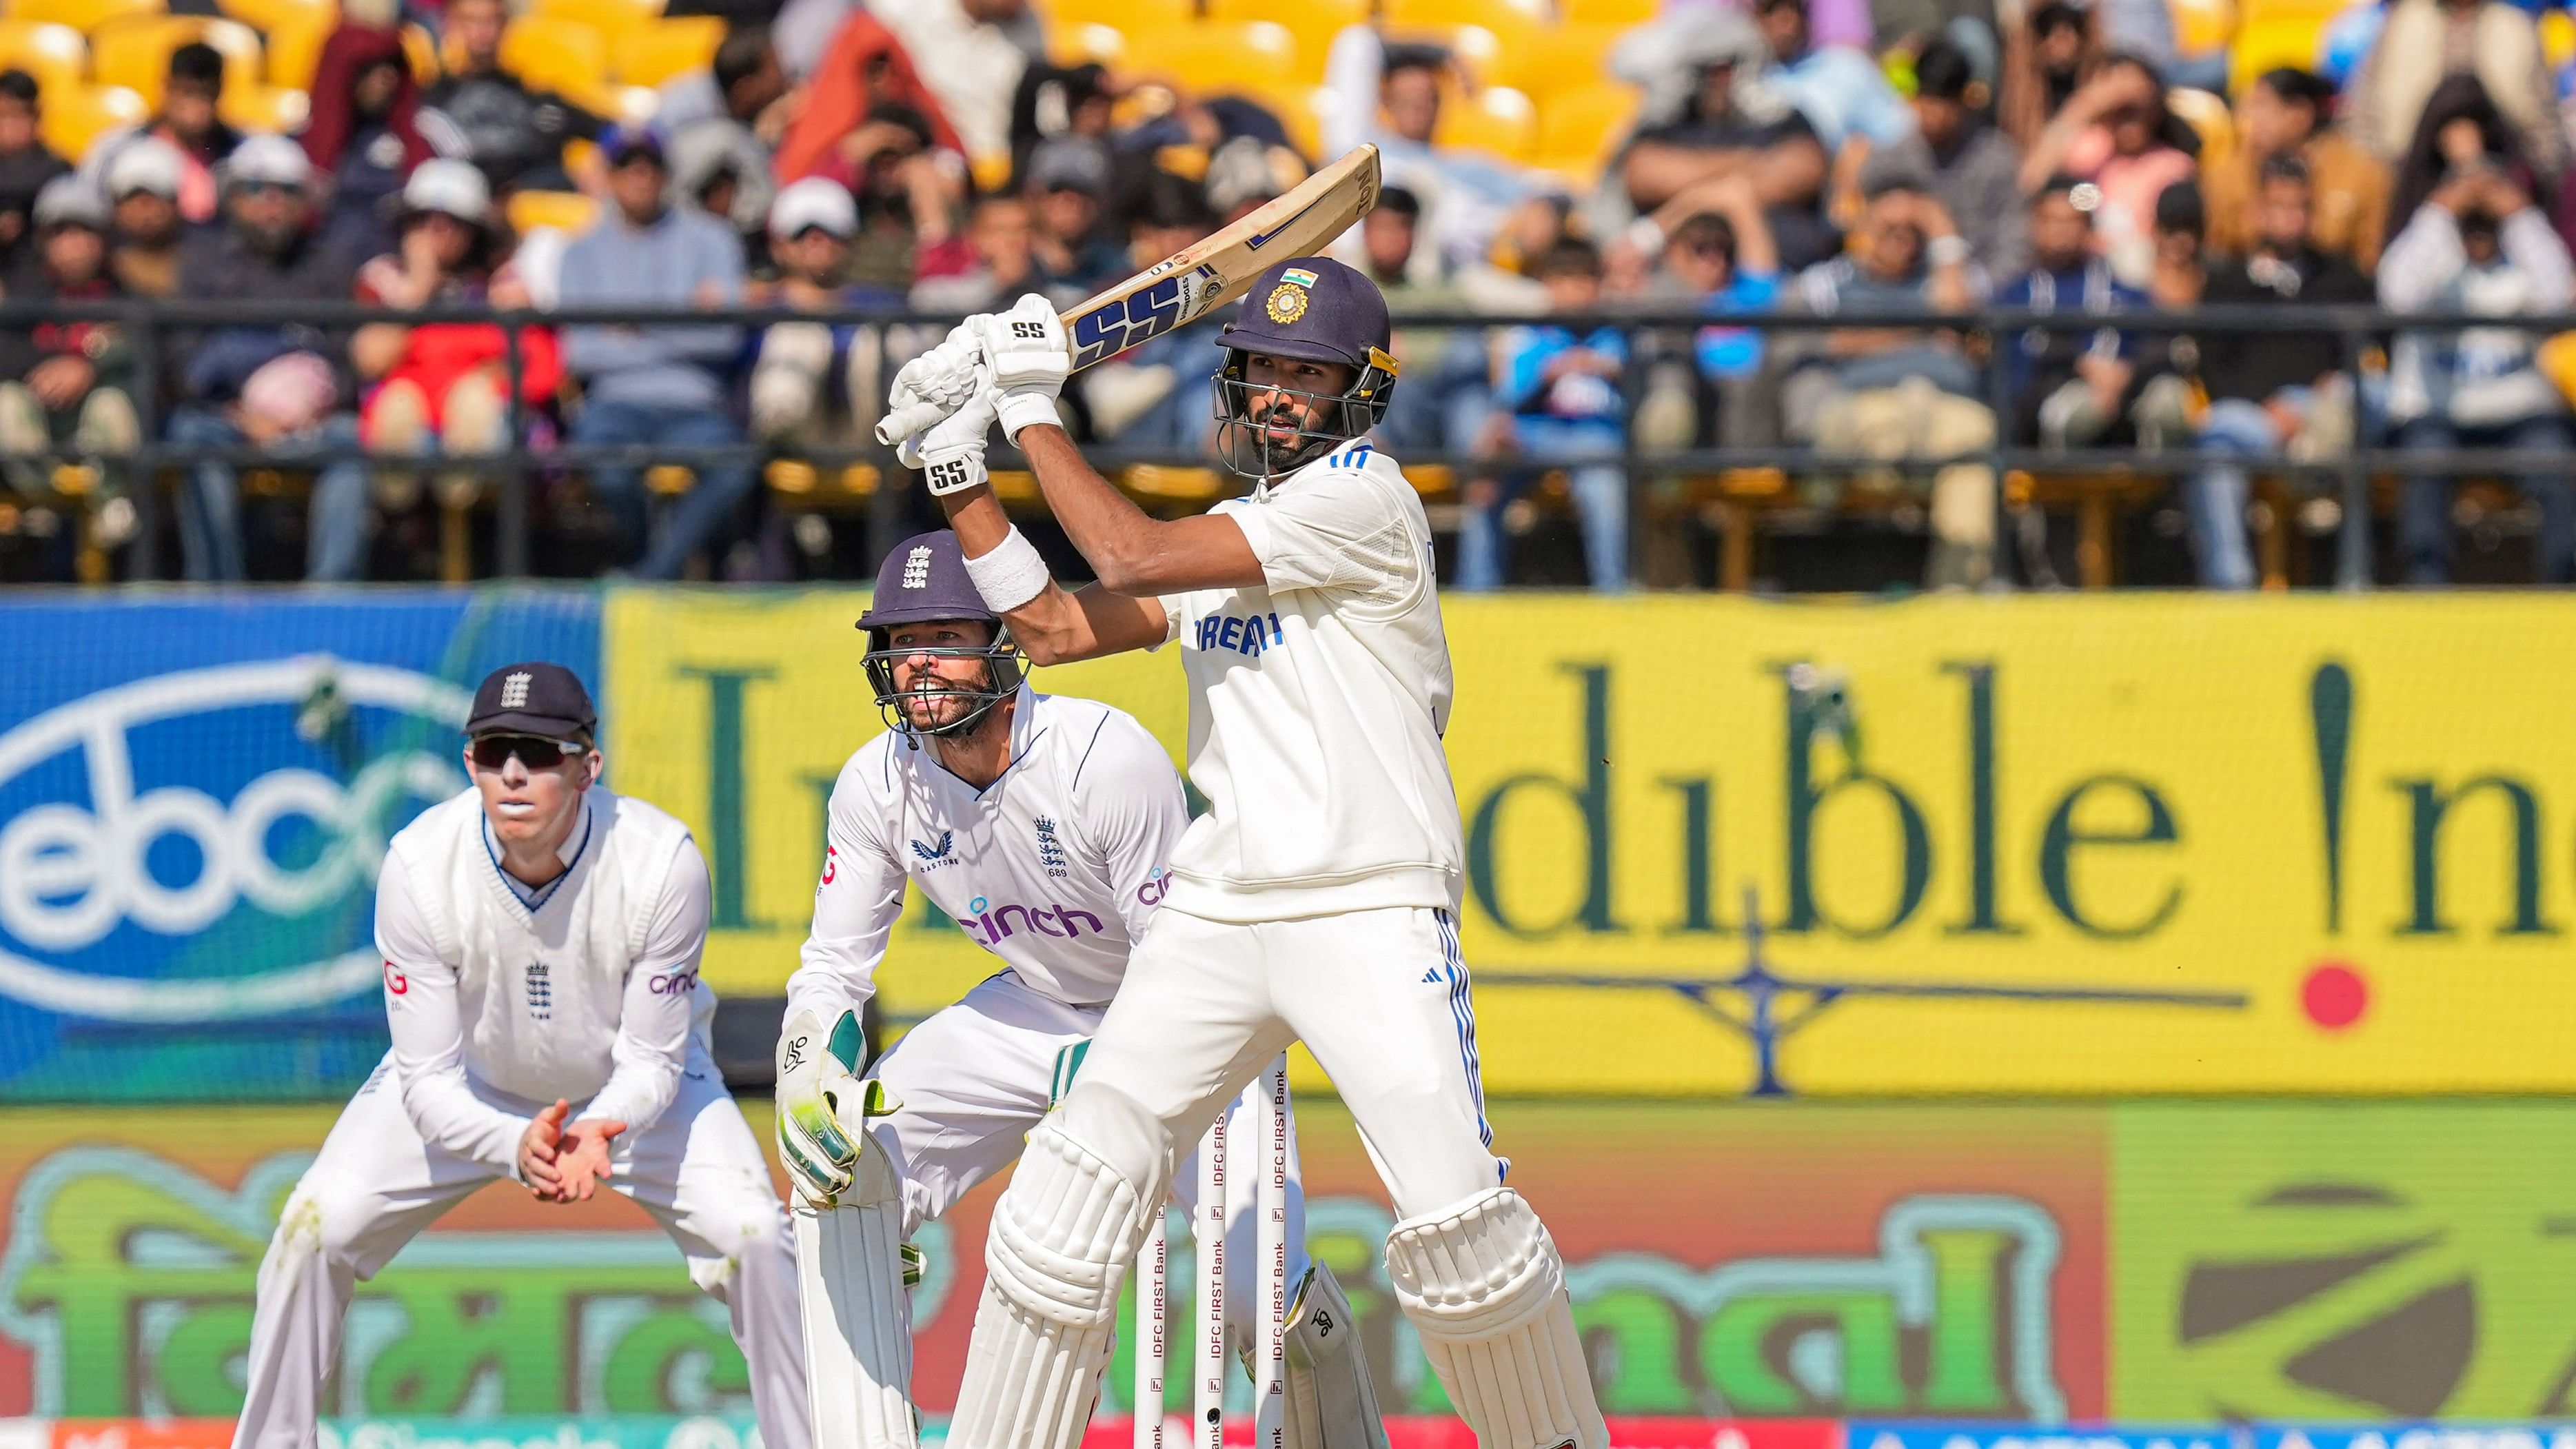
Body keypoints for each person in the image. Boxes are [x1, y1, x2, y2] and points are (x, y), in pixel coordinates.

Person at [884, 256, 1611, 1448]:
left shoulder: (1365, 498)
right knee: (1067, 1194)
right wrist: (961, 471)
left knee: (1457, 1235)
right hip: (1220, 908)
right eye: (1263, 370)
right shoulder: (1248, 530)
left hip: (1367, 903)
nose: (1278, 394)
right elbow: (1057, 628)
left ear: (1359, 391)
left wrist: (1026, 408)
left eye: (1306, 374)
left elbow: (1127, 557)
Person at [778, 530, 1386, 1446]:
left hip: (1204, 1020)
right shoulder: (877, 783)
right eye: (901, 644)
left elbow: (1183, 963)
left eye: (944, 634)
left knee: (1259, 1294)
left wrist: (1106, 1064)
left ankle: (1342, 1432)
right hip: (1033, 1013)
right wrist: (804, 1063)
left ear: (1003, 642)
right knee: (837, 1182)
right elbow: (832, 968)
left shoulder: (1102, 757)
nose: (918, 666)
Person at [227, 663, 809, 1449]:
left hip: (637, 1097)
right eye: (491, 750)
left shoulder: (662, 862)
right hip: (469, 1084)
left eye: (537, 752)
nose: (510, 772)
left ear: (586, 764)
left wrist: (597, 1127)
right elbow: (427, 1080)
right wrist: (514, 1142)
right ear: (469, 762)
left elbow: (650, 1062)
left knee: (754, 1236)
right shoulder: (416, 866)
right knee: (311, 1230)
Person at [166, 135, 371, 582]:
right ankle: (215, 591)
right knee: (189, 432)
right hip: (227, 420)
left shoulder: (330, 266)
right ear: (234, 197)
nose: (272, 203)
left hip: (310, 422)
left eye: (287, 190)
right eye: (257, 188)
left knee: (351, 439)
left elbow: (346, 363)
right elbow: (183, 359)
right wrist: (240, 414)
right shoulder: (202, 264)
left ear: (306, 200)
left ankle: (332, 597)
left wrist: (305, 411)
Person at [558, 125, 755, 580]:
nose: (640, 174)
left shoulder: (713, 240)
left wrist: (633, 327)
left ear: (666, 172)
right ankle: (657, 569)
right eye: (627, 164)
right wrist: (684, 320)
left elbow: (725, 339)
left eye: (650, 163)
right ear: (609, 175)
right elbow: (580, 353)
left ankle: (649, 576)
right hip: (615, 404)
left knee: (735, 465)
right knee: (604, 466)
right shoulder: (580, 251)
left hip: (693, 405)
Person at [1781, 179, 1996, 588]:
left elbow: (1957, 313)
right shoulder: (1823, 284)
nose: (1901, 239)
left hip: (1945, 411)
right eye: (1889, 227)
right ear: (1862, 225)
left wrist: (1941, 231)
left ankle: (1955, 604)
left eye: (1912, 229)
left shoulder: (1948, 280)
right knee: (1892, 436)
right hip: (1861, 408)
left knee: (1975, 452)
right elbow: (1827, 343)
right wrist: (1924, 328)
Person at [2378, 161, 2576, 582]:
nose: (2479, 231)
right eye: (2472, 222)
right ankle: (2426, 585)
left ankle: (2565, 586)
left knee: (2555, 462)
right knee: (2425, 463)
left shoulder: (2523, 258)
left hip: (2521, 416)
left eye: (2487, 222)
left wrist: (2518, 214)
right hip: (2438, 414)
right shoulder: (2434, 261)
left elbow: (2558, 296)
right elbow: (2396, 295)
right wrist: (2442, 210)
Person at [2188, 156, 2374, 589]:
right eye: (2278, 206)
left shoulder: (2342, 277)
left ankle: (2352, 580)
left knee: (2359, 399)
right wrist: (2275, 411)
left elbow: (2371, 350)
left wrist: (2306, 403)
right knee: (2213, 442)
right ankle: (2232, 588)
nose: (2290, 219)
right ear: (2256, 211)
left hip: (2325, 412)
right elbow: (2212, 367)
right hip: (2253, 418)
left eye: (2300, 208)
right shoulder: (2225, 284)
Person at [354, 159, 559, 515]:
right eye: (426, 218)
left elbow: (537, 368)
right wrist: (420, 286)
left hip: (485, 424)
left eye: (454, 222)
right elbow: (372, 360)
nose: (439, 229)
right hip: (410, 420)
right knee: (398, 406)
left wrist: (486, 379)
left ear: (475, 230)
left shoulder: (503, 285)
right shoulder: (383, 279)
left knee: (474, 403)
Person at [1461, 236, 1629, 591]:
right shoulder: (1531, 334)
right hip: (1533, 434)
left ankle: (1613, 594)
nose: (1575, 291)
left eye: (1585, 280)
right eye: (1564, 280)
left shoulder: (1613, 335)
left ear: (1600, 285)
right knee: (1487, 478)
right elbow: (1509, 401)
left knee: (1605, 490)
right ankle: (1475, 594)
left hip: (1594, 439)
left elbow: (1629, 394)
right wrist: (1548, 375)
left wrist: (1608, 369)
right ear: (1548, 286)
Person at [1614, 12, 1836, 270]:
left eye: (1727, 67)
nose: (1718, 79)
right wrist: (1744, 168)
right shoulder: (1667, 124)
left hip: (1785, 274)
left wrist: (1689, 191)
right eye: (1707, 69)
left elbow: (1800, 173)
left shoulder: (1784, 119)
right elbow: (1646, 176)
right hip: (1677, 282)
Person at [1990, 175, 2173, 451]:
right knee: (2079, 412)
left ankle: (2165, 491)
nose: (2060, 232)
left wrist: (2126, 373)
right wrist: (2081, 365)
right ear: (2035, 225)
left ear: (2087, 227)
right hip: (2038, 417)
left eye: (2071, 222)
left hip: (2126, 405)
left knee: (2170, 403)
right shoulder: (2014, 295)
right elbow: (2018, 365)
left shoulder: (2125, 292)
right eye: (2051, 221)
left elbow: (2160, 343)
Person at [0, 178, 136, 504]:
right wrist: (54, 364)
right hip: (40, 419)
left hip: (94, 427)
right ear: (43, 240)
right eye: (61, 232)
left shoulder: (126, 294)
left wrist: (87, 365)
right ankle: (44, 508)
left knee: (113, 407)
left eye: (86, 230)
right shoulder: (22, 291)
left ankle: (112, 509)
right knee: (7, 403)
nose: (75, 243)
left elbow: (151, 355)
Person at [2017, 52, 2198, 284]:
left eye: (2134, 110)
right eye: (2119, 110)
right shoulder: (2087, 153)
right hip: (2079, 276)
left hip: (2140, 284)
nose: (2127, 118)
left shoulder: (2174, 166)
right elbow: (2029, 183)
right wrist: (2090, 103)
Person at [749, 177, 902, 451]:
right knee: (797, 337)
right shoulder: (756, 307)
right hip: (780, 445)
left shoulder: (881, 303)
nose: (817, 240)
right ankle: (783, 447)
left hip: (872, 444)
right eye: (802, 232)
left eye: (831, 231)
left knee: (887, 340)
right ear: (778, 245)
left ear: (852, 241)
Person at [1857, 37, 2029, 281]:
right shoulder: (1888, 159)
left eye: (1944, 104)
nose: (1934, 115)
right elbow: (1860, 236)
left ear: (1964, 101)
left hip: (1978, 293)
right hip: (1898, 290)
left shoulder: (1996, 159)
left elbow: (2014, 248)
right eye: (1927, 100)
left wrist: (1970, 290)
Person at [2204, 67, 2391, 272]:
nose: (2249, 120)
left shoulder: (2363, 174)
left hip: (2332, 294)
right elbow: (2214, 250)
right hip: (2245, 294)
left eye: (2261, 106)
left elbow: (2371, 256)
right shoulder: (2226, 173)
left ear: (2299, 115)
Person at [2348, 0, 2560, 177]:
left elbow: (2544, 124)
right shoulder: (2400, 24)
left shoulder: (2517, 28)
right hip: (2407, 175)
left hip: (2501, 177)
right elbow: (2362, 110)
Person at [417, 0, 604, 194]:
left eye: (493, 21)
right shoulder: (428, 102)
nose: (483, 33)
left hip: (536, 198)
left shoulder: (536, 98)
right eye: (471, 21)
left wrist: (598, 168)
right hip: (462, 204)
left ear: (506, 26)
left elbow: (614, 133)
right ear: (448, 25)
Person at [301, 19, 431, 256]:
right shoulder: (303, 145)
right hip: (323, 273)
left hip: (398, 270)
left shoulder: (423, 139)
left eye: (394, 66)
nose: (388, 78)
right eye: (372, 68)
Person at [81, 42, 243, 226]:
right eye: (187, 92)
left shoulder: (240, 154)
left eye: (206, 94)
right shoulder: (116, 150)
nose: (196, 107)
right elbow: (90, 212)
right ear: (167, 88)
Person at [1754, 0, 1911, 153]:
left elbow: (1896, 136)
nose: (1788, 21)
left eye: (1796, 8)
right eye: (1772, 10)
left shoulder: (1847, 66)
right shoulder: (1747, 79)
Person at [0, 70, 70, 272]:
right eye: (2, 116)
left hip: (41, 276)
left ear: (37, 116)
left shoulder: (58, 169)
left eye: (19, 115)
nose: (9, 126)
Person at [105, 138, 185, 299]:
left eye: (153, 198)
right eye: (131, 199)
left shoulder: (209, 262)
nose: (143, 211)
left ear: (174, 202)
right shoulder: (102, 268)